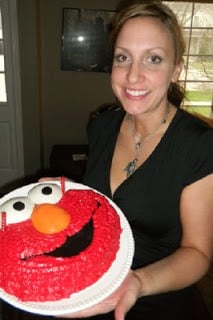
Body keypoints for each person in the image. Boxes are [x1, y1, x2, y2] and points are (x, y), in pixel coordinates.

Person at [57, 1, 213, 319]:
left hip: (156, 298)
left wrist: (138, 282)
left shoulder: (199, 145)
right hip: (94, 284)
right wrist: (68, 192)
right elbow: (103, 207)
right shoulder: (101, 126)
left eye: (153, 59)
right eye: (123, 57)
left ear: (176, 70)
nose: (133, 75)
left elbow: (197, 252)